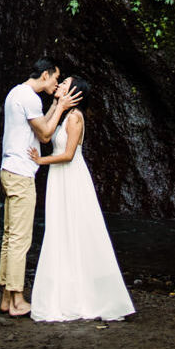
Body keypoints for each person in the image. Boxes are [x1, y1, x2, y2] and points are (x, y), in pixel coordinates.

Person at [28, 75, 135, 322]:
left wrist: (40, 160)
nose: (60, 85)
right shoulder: (66, 114)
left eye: (65, 83)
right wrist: (57, 105)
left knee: (74, 229)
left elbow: (68, 155)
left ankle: (80, 295)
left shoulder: (75, 117)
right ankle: (68, 291)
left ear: (75, 92)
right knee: (61, 229)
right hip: (60, 177)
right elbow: (45, 135)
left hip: (70, 176)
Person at [0, 57, 80, 316]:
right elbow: (45, 135)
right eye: (56, 78)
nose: (57, 83)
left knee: (10, 236)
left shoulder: (16, 93)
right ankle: (17, 300)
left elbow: (40, 125)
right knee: (20, 239)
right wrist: (62, 106)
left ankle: (6, 298)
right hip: (21, 173)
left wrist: (55, 104)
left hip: (8, 169)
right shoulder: (30, 98)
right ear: (45, 75)